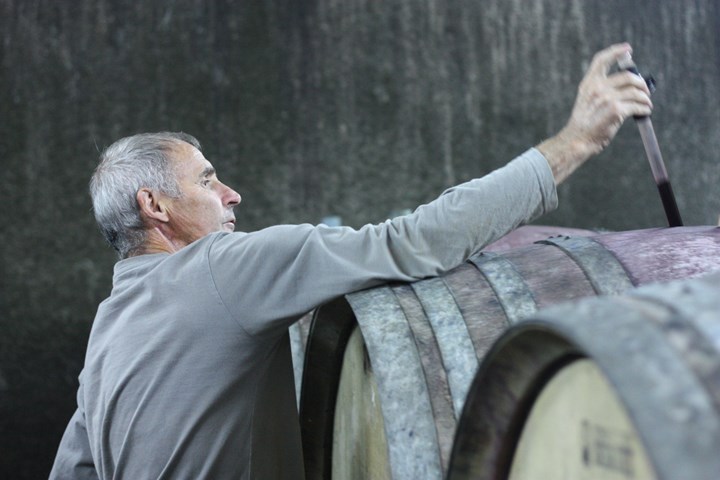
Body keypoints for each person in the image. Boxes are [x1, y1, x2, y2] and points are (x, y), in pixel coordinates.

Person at [50, 43, 652, 479]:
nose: (231, 195)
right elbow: (414, 240)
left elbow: (72, 470)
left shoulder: (108, 331)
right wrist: (579, 139)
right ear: (155, 205)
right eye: (208, 181)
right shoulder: (221, 267)